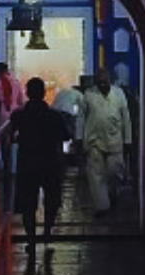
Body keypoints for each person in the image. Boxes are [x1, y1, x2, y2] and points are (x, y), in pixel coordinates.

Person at [9, 77, 72, 256]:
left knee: (28, 203)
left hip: (27, 163)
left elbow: (11, 136)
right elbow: (66, 136)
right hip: (50, 163)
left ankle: (31, 239)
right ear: (44, 93)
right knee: (51, 201)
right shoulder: (54, 116)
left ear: (27, 93)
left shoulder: (19, 115)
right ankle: (47, 234)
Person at [79, 69, 132, 215]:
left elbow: (126, 118)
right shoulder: (88, 94)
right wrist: (79, 138)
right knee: (96, 176)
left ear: (110, 81)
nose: (102, 84)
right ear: (96, 82)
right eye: (100, 82)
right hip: (93, 141)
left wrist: (128, 140)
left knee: (114, 172)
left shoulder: (119, 93)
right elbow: (81, 118)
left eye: (105, 81)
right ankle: (102, 207)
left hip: (115, 140)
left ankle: (112, 193)